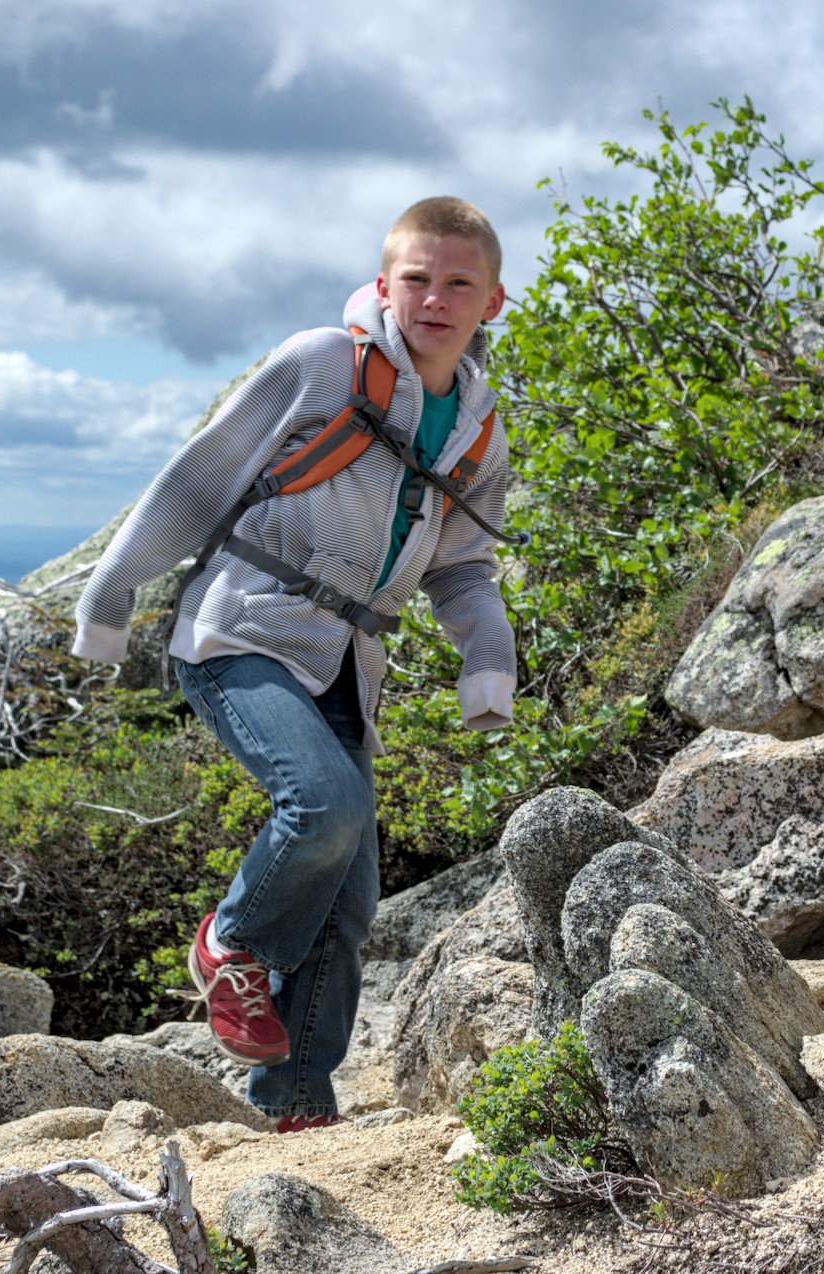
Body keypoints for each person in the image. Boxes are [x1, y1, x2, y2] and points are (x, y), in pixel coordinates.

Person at [71, 197, 516, 1132]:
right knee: (325, 807)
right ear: (386, 284)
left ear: (494, 302)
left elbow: (465, 565)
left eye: (457, 283)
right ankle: (229, 941)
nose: (435, 298)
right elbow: (199, 478)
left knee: (349, 904)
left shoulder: (478, 430)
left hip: (348, 661)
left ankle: (296, 1108)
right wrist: (109, 599)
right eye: (417, 279)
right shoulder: (322, 363)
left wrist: (488, 662)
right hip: (240, 630)